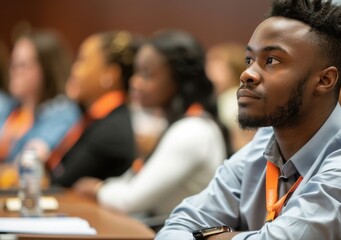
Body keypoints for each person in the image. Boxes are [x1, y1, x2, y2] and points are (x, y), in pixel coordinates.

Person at [156, 0, 341, 239]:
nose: (247, 73)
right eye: (249, 59)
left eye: (271, 60)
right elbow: (180, 223)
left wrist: (217, 236)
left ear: (324, 80)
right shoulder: (264, 144)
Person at [73, 30, 227, 226]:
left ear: (178, 81)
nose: (135, 82)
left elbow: (130, 200)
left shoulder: (192, 130)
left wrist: (97, 189)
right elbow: (131, 181)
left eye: (147, 75)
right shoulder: (180, 124)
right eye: (137, 72)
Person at [47, 31, 137, 187]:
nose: (74, 71)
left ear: (110, 74)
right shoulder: (96, 119)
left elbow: (62, 185)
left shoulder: (111, 130)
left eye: (82, 61)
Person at [0, 30, 80, 163]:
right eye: (13, 64)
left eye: (22, 65)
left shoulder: (61, 112)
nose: (14, 72)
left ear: (46, 69)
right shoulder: (9, 107)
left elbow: (31, 159)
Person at [206, 43, 256, 153]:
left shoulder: (231, 100)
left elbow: (241, 145)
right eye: (208, 68)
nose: (210, 76)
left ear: (235, 71)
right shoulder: (220, 99)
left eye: (218, 70)